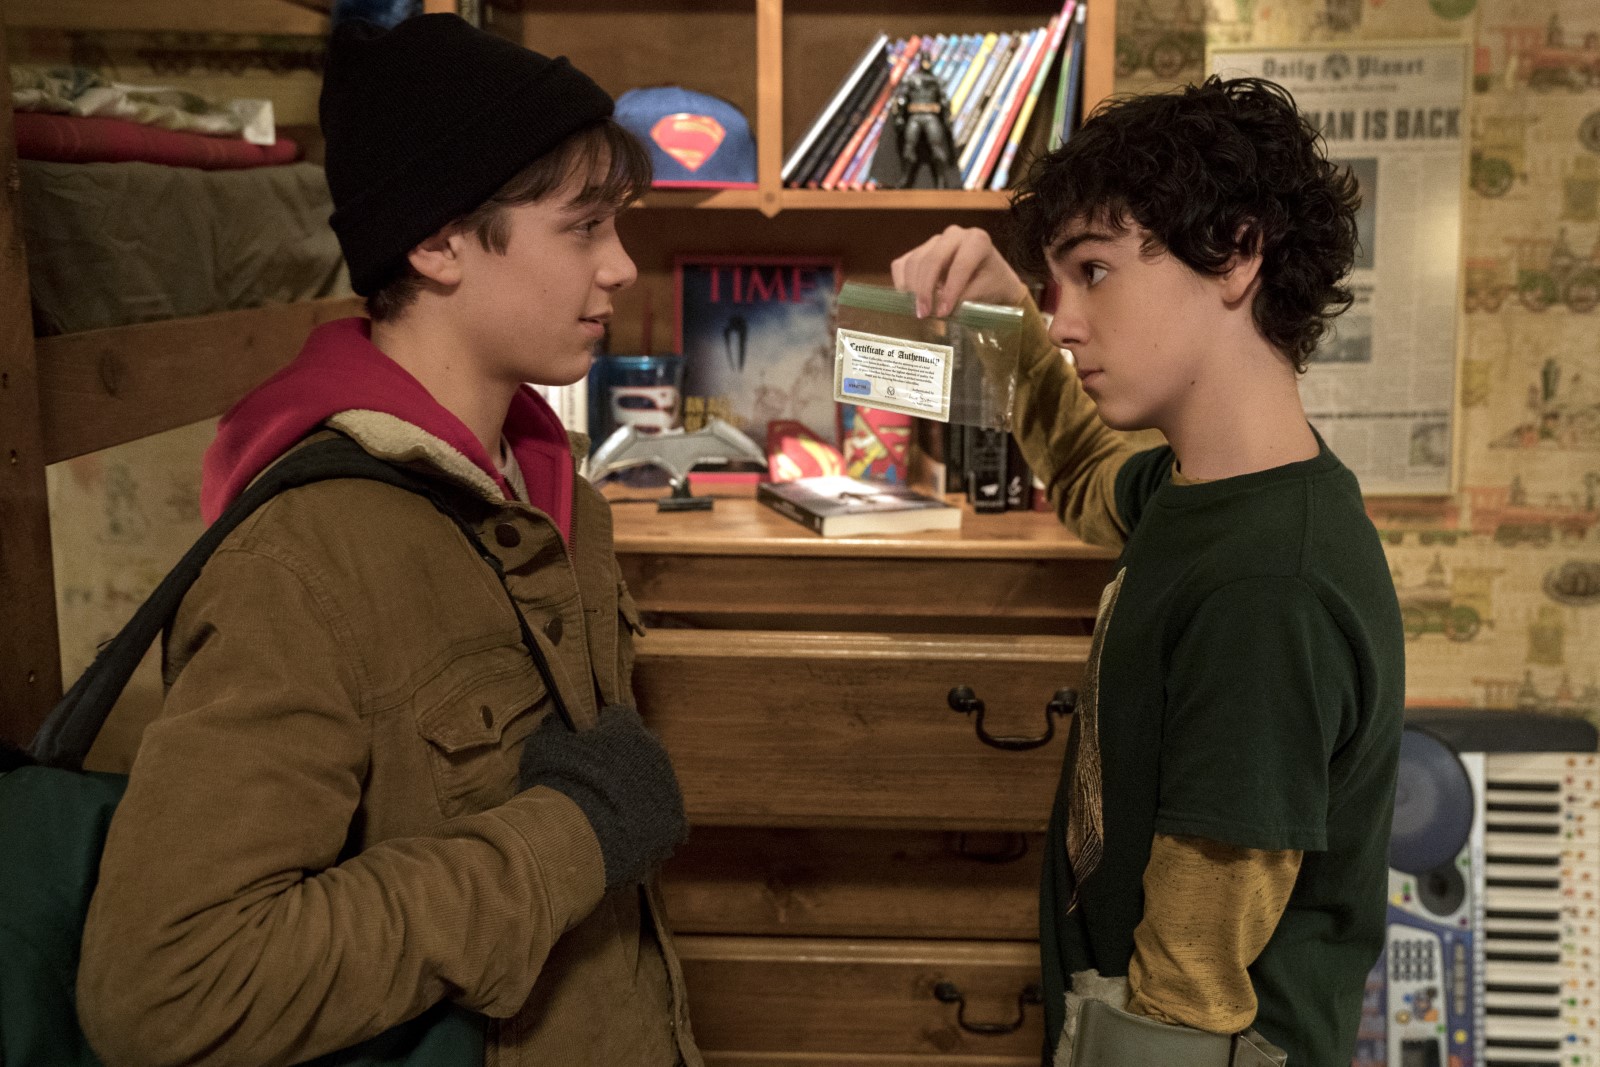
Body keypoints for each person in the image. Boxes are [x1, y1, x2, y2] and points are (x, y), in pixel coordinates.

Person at [77, 15, 701, 1067]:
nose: (622, 265)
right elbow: (168, 987)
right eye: (584, 228)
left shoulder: (554, 493)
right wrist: (571, 834)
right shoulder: (305, 557)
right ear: (438, 241)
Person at [892, 77, 1403, 1067]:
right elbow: (1091, 475)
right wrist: (997, 308)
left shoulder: (1267, 588)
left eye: (1094, 271)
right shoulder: (1197, 489)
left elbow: (1184, 996)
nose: (1063, 321)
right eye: (1055, 286)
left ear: (1237, 252)